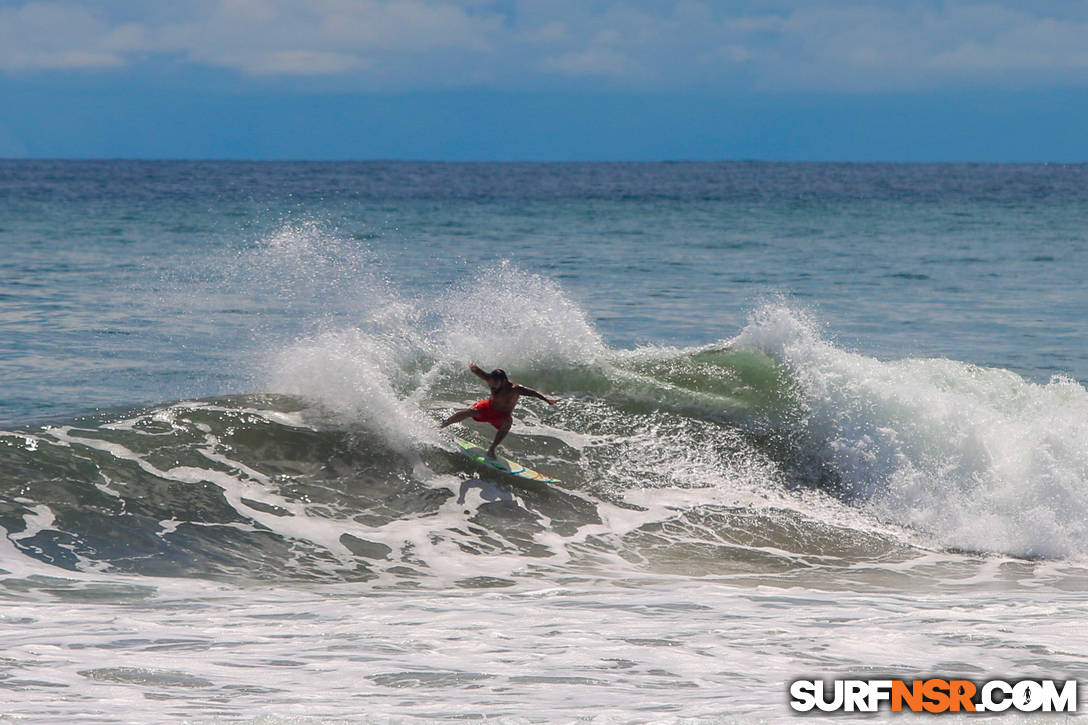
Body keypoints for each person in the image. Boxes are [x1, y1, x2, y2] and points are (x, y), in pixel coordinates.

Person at [440, 363, 559, 459]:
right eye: (491, 384)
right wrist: (471, 365)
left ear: (503, 381)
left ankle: (492, 449)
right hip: (488, 408)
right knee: (470, 411)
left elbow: (534, 393)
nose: (492, 387)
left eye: (495, 385)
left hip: (502, 416)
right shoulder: (491, 379)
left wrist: (547, 399)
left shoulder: (515, 389)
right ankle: (445, 423)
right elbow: (478, 371)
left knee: (507, 424)